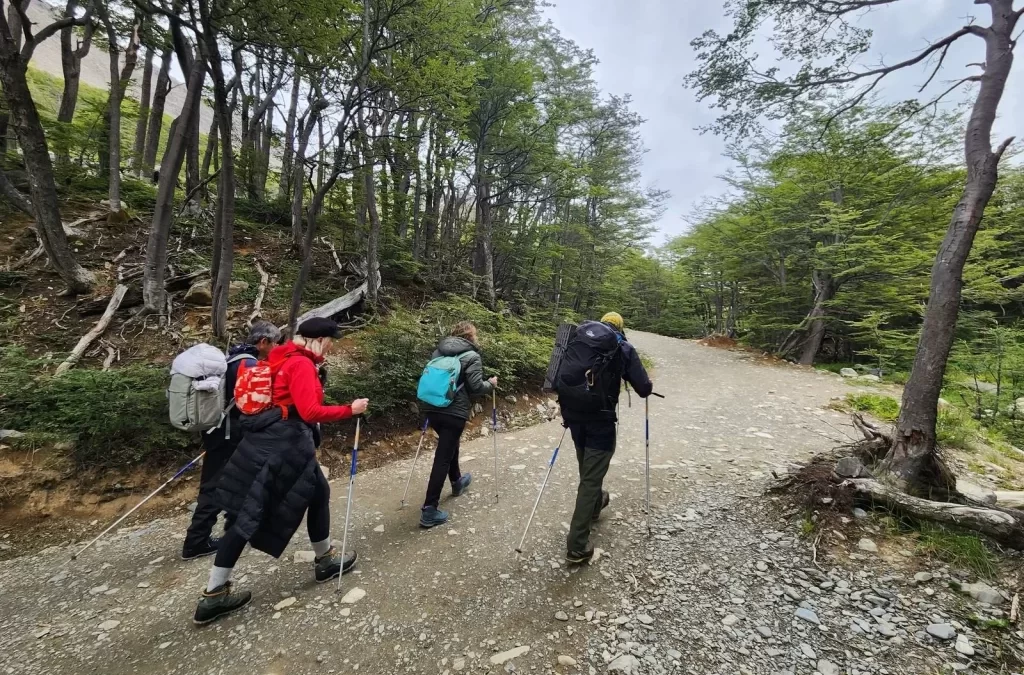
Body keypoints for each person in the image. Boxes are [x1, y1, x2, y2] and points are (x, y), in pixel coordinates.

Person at [193, 317, 370, 625]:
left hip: (263, 441)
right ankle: (214, 594)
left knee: (316, 494)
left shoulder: (279, 357)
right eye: (329, 341)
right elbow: (309, 411)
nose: (330, 347)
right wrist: (349, 410)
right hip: (286, 447)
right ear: (317, 338)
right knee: (247, 515)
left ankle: (324, 559)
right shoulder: (299, 364)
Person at [181, 321, 281, 560]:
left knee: (236, 481)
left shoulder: (233, 358)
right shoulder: (248, 364)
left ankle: (239, 529)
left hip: (219, 432)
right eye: (275, 343)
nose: (277, 347)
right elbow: (253, 404)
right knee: (215, 485)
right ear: (263, 342)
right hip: (229, 434)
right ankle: (196, 542)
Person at [558, 311, 652, 564]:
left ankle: (597, 502)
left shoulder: (579, 339)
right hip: (600, 420)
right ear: (621, 328)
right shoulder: (622, 347)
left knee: (588, 472)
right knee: (590, 478)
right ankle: (576, 546)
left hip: (574, 416)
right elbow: (643, 388)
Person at [418, 321, 497, 528]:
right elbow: (476, 387)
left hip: (431, 408)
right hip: (454, 411)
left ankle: (457, 481)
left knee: (449, 445)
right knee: (442, 457)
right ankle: (429, 510)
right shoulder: (472, 356)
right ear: (470, 337)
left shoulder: (438, 353)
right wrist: (492, 384)